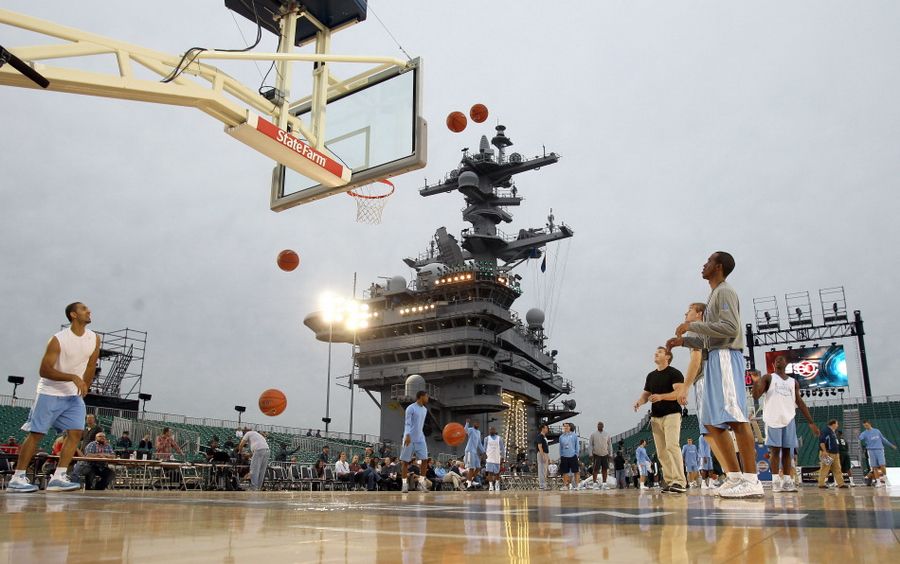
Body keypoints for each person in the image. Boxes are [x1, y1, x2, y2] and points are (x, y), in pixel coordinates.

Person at [667, 252, 763, 499]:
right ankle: (734, 477)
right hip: (713, 359)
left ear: (718, 267)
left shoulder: (725, 292)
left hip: (725, 357)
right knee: (711, 422)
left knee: (736, 417)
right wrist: (685, 341)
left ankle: (752, 479)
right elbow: (711, 335)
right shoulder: (713, 296)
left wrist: (692, 326)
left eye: (708, 261)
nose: (704, 264)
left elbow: (730, 329)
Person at [8, 302, 100, 493]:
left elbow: (91, 365)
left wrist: (85, 385)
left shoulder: (94, 338)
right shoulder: (58, 339)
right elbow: (44, 370)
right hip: (49, 392)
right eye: (84, 309)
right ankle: (17, 478)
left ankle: (58, 477)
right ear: (73, 315)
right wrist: (73, 377)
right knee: (37, 434)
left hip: (73, 395)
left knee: (76, 433)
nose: (89, 311)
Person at [751, 356, 819, 493]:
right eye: (777, 359)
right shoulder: (768, 378)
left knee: (788, 451)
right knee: (775, 451)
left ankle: (787, 481)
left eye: (782, 359)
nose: (779, 360)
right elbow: (756, 395)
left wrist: (811, 422)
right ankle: (776, 481)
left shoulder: (793, 382)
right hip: (773, 419)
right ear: (773, 363)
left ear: (786, 363)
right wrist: (756, 382)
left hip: (789, 418)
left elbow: (799, 402)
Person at [634, 347, 686, 494]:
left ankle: (680, 481)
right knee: (662, 452)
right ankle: (670, 481)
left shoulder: (674, 373)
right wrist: (639, 401)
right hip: (656, 417)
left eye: (660, 352)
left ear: (668, 356)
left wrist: (662, 396)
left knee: (672, 446)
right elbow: (646, 395)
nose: (656, 353)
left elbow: (679, 392)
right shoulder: (651, 376)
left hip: (672, 414)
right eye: (655, 351)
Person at [399, 390, 429, 493]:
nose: (427, 398)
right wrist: (407, 435)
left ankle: (421, 483)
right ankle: (404, 484)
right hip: (409, 438)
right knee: (405, 462)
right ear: (421, 397)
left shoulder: (425, 410)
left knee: (425, 460)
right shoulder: (410, 408)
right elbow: (407, 423)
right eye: (426, 396)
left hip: (420, 438)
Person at [859, 420, 897, 487]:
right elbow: (860, 438)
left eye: (867, 425)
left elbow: (883, 439)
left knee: (882, 464)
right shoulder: (864, 433)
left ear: (870, 424)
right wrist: (858, 436)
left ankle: (886, 479)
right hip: (871, 451)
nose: (866, 426)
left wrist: (891, 445)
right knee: (874, 467)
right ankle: (878, 482)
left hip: (879, 449)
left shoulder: (877, 431)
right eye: (864, 426)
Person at [237, 427, 270, 491]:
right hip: (267, 451)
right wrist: (249, 455)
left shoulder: (248, 433)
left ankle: (254, 487)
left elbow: (241, 444)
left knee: (254, 470)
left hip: (259, 450)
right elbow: (259, 450)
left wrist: (240, 452)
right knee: (261, 471)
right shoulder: (258, 435)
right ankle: (259, 487)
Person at [818, 419, 846, 489]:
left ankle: (841, 484)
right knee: (825, 469)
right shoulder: (826, 431)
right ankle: (821, 484)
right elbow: (822, 442)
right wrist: (824, 451)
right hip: (827, 453)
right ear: (833, 424)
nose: (837, 425)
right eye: (837, 424)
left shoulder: (833, 432)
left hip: (835, 454)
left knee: (838, 469)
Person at [590, 421, 612, 490]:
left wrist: (610, 454)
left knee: (605, 469)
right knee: (595, 469)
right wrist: (590, 454)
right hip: (596, 454)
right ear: (597, 426)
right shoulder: (593, 434)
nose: (600, 426)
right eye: (599, 425)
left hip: (605, 454)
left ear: (603, 426)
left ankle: (604, 484)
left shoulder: (607, 434)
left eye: (601, 425)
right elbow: (590, 445)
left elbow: (610, 445)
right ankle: (594, 484)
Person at [463, 418, 485, 489]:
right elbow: (465, 431)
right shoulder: (471, 429)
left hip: (475, 452)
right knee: (471, 468)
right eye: (476, 423)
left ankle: (470, 480)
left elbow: (479, 444)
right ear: (473, 424)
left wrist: (484, 452)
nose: (477, 424)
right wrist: (467, 423)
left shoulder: (478, 432)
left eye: (478, 423)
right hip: (469, 450)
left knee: (478, 467)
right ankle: (469, 485)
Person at [483, 427, 505, 492]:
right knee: (489, 472)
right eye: (490, 429)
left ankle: (497, 484)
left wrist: (502, 457)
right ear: (489, 431)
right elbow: (484, 448)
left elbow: (502, 449)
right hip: (489, 458)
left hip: (497, 458)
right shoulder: (486, 438)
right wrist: (484, 455)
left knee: (497, 473)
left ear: (495, 430)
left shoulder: (499, 438)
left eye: (493, 429)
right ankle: (491, 485)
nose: (491, 430)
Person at [558, 422, 579, 490]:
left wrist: (576, 454)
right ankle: (565, 485)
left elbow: (577, 446)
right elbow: (560, 447)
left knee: (576, 471)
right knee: (565, 472)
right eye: (564, 426)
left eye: (567, 426)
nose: (566, 427)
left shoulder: (574, 435)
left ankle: (576, 486)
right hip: (564, 456)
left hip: (573, 455)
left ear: (570, 427)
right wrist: (561, 455)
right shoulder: (561, 437)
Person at [535, 424, 551, 491]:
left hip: (545, 453)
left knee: (544, 470)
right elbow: (539, 446)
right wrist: (543, 455)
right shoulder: (540, 436)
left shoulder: (544, 437)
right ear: (543, 429)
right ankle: (542, 485)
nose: (547, 429)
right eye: (546, 428)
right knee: (542, 469)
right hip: (542, 453)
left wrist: (547, 456)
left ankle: (544, 484)